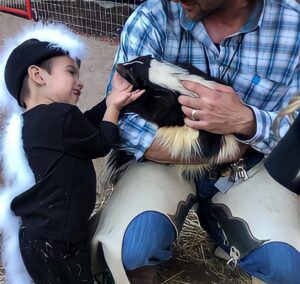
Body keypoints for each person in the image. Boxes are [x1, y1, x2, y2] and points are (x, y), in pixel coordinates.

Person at [91, 0, 300, 283]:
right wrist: (216, 150)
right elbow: (120, 121)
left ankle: (225, 232)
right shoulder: (154, 16)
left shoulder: (293, 25)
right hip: (164, 162)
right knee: (131, 248)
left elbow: (295, 128)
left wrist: (248, 121)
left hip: (247, 169)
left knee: (289, 267)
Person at [0, 24, 144, 284]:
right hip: (60, 241)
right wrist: (113, 107)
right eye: (70, 72)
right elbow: (100, 142)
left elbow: (85, 126)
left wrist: (110, 99)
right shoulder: (63, 115)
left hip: (35, 238)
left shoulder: (32, 123)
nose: (80, 82)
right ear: (38, 75)